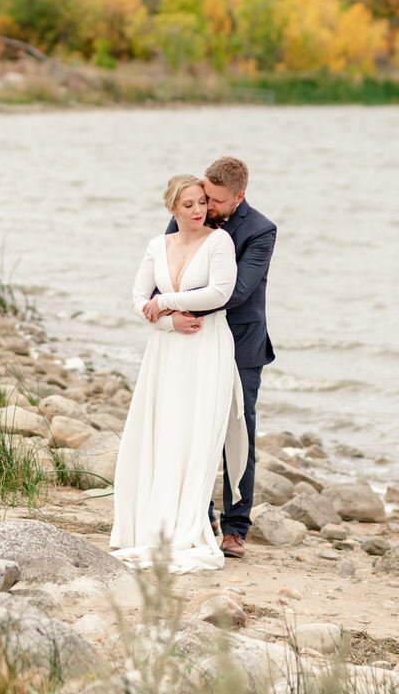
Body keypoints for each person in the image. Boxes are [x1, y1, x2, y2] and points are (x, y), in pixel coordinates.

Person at [110, 175, 248, 573]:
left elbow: (220, 292)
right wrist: (168, 322)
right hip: (167, 348)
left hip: (207, 346)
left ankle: (190, 523)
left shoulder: (218, 241)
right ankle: (152, 521)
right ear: (172, 208)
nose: (198, 210)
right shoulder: (158, 245)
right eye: (188, 204)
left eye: (202, 202)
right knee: (162, 429)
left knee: (196, 432)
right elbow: (138, 299)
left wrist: (166, 300)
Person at [155, 156, 275, 560]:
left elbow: (237, 291)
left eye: (216, 202)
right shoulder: (189, 213)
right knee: (192, 427)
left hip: (240, 341)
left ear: (240, 197)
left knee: (237, 430)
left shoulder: (260, 231)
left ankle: (236, 528)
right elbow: (166, 273)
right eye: (203, 197)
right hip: (193, 341)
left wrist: (176, 310)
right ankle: (199, 518)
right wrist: (169, 319)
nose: (206, 208)